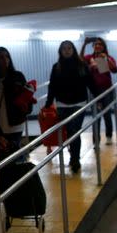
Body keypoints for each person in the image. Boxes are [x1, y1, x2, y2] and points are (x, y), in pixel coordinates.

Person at [44, 41, 94, 173]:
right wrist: (48, 103)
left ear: (73, 50)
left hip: (79, 103)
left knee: (74, 131)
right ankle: (73, 154)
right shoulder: (57, 67)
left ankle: (75, 159)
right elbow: (52, 86)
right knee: (68, 131)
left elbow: (89, 82)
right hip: (62, 105)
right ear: (60, 51)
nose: (67, 51)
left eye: (69, 48)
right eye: (64, 49)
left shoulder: (81, 65)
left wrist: (98, 97)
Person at [0, 47, 33, 159]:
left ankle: (22, 171)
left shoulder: (17, 76)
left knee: (15, 154)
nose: (5, 60)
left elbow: (27, 96)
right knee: (2, 157)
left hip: (15, 124)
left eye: (7, 56)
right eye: (1, 57)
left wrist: (26, 109)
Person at [81, 36, 117, 144]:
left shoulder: (107, 57)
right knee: (95, 116)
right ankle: (96, 141)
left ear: (104, 46)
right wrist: (84, 44)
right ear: (93, 46)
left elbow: (115, 70)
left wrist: (105, 59)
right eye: (96, 44)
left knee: (107, 114)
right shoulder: (89, 57)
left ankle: (109, 136)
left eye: (100, 44)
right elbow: (80, 59)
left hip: (106, 89)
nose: (97, 46)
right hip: (94, 91)